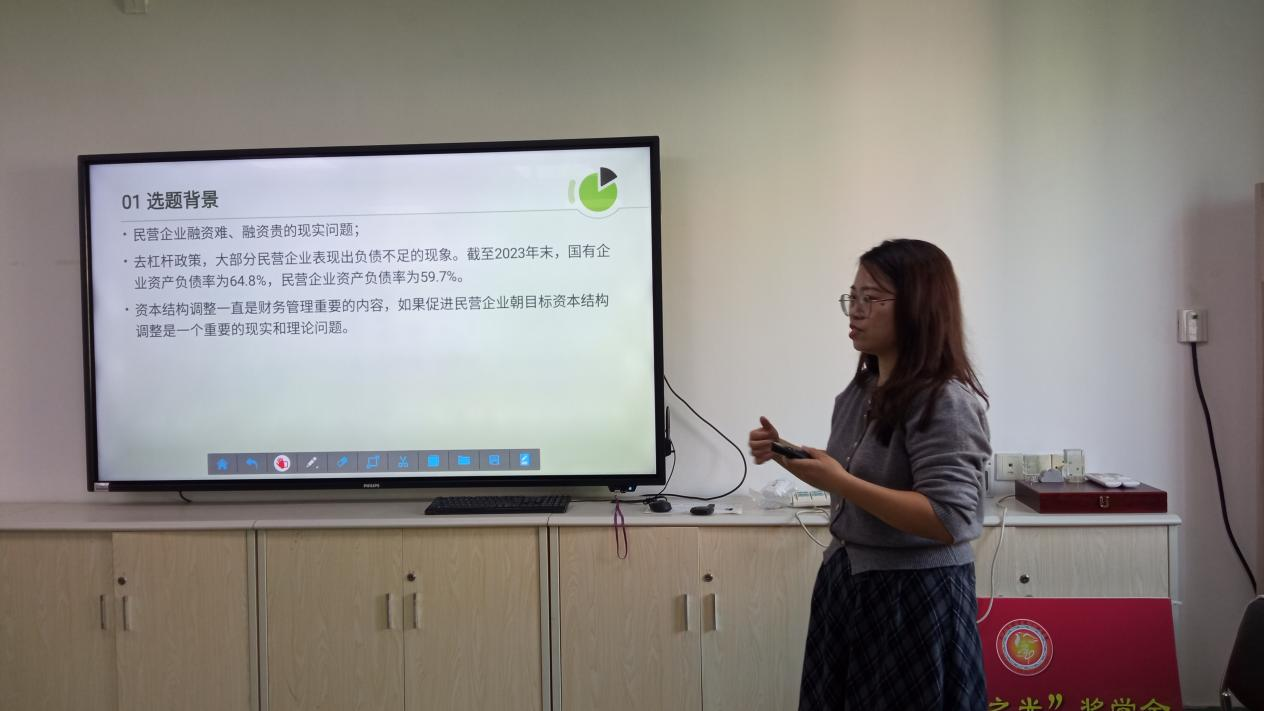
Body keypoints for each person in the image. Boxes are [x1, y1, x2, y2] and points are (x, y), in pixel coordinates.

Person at [749, 238, 991, 710]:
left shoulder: (946, 401)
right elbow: (854, 477)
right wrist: (788, 454)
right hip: (850, 582)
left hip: (915, 600)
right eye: (852, 297)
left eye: (872, 298)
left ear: (918, 307)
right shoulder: (861, 391)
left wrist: (840, 482)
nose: (855, 311)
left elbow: (949, 518)